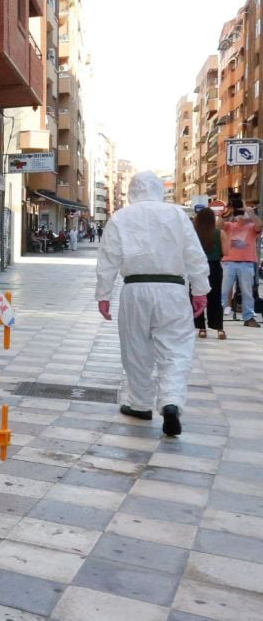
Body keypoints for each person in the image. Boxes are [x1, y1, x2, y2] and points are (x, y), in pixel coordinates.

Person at [95, 171, 209, 437]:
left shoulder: (121, 216)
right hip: (172, 289)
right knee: (176, 348)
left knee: (136, 348)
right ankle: (171, 401)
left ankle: (140, 403)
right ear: (159, 189)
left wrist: (104, 294)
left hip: (135, 289)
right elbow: (194, 253)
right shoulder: (177, 215)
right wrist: (201, 289)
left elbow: (108, 257)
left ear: (132, 191)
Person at [217, 196, 262, 328]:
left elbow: (260, 225)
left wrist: (250, 212)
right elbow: (217, 226)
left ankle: (249, 318)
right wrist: (226, 213)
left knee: (247, 292)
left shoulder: (252, 227)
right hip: (229, 262)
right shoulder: (229, 225)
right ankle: (216, 316)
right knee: (223, 291)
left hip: (246, 262)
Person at [191, 207, 225, 339]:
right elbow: (226, 251)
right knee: (215, 297)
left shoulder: (193, 234)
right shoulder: (220, 233)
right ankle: (219, 328)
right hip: (215, 267)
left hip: (197, 267)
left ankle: (201, 328)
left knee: (197, 295)